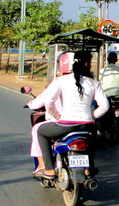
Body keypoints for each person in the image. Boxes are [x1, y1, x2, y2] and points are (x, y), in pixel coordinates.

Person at [30, 50, 109, 178]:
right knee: (91, 141)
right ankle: (88, 168)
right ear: (88, 65)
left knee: (40, 131)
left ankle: (49, 169)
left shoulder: (61, 81)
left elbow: (49, 101)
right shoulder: (94, 83)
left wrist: (56, 116)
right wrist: (91, 116)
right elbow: (105, 106)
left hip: (66, 125)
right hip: (87, 126)